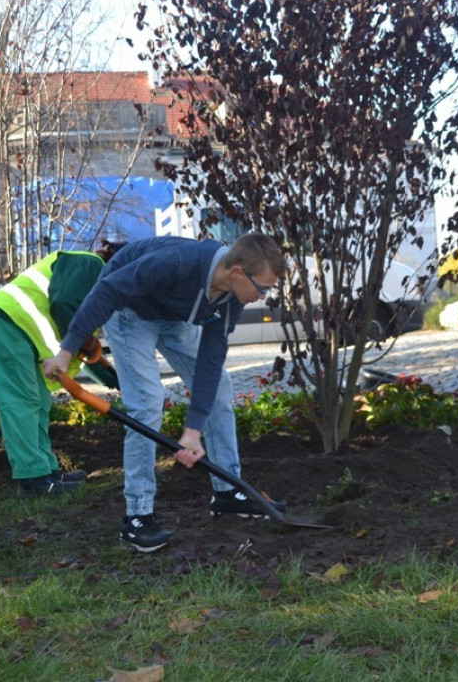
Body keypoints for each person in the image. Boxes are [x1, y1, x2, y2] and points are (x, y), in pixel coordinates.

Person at [42, 233, 287, 552]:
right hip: (129, 310)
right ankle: (137, 518)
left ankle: (227, 493)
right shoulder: (179, 262)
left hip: (174, 317)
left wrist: (193, 431)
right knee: (147, 404)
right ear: (237, 271)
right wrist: (67, 350)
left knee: (220, 386)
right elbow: (109, 290)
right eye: (262, 287)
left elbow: (210, 362)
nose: (263, 296)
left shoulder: (230, 298)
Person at [0, 244, 123, 499]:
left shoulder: (93, 277)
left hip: (21, 331)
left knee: (39, 403)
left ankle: (45, 470)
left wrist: (110, 378)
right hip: (6, 321)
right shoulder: (91, 264)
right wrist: (82, 342)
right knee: (21, 401)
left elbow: (77, 334)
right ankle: (32, 480)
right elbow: (65, 304)